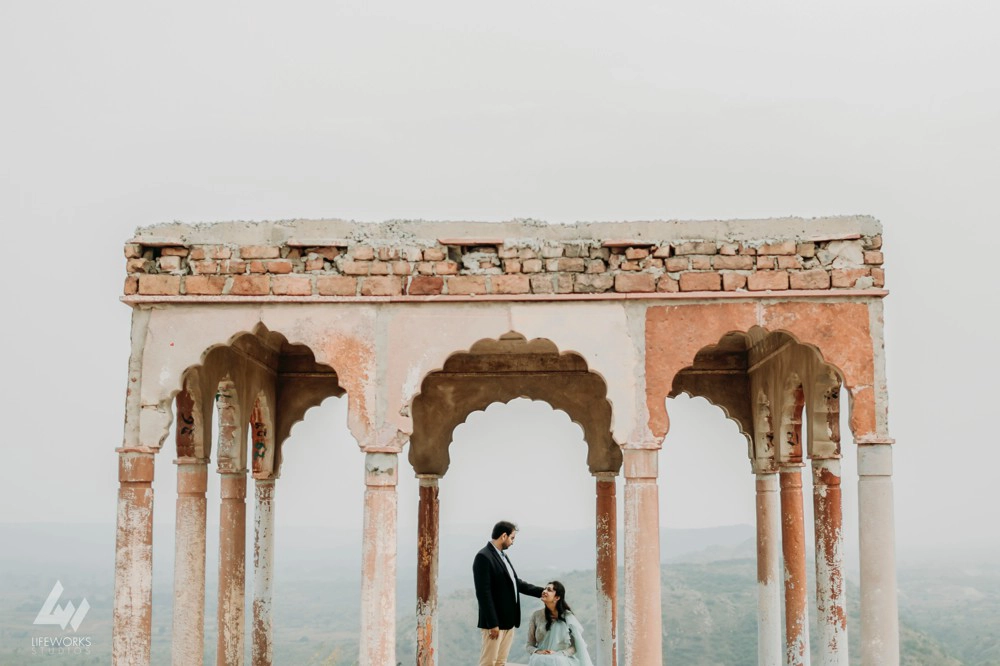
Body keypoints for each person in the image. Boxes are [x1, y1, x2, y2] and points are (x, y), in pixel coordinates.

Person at [473, 520, 544, 666]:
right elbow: (483, 593)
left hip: (508, 622)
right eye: (512, 538)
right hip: (494, 624)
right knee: (488, 662)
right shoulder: (483, 557)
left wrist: (542, 592)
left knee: (500, 662)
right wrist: (493, 623)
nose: (512, 542)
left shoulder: (502, 556)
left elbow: (515, 583)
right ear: (504, 536)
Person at [525, 581, 594, 666]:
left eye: (549, 590)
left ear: (557, 597)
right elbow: (529, 645)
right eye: (545, 589)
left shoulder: (567, 617)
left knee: (557, 661)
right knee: (539, 659)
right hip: (540, 660)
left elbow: (576, 645)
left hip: (562, 660)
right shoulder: (536, 615)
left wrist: (560, 654)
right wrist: (539, 652)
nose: (544, 591)